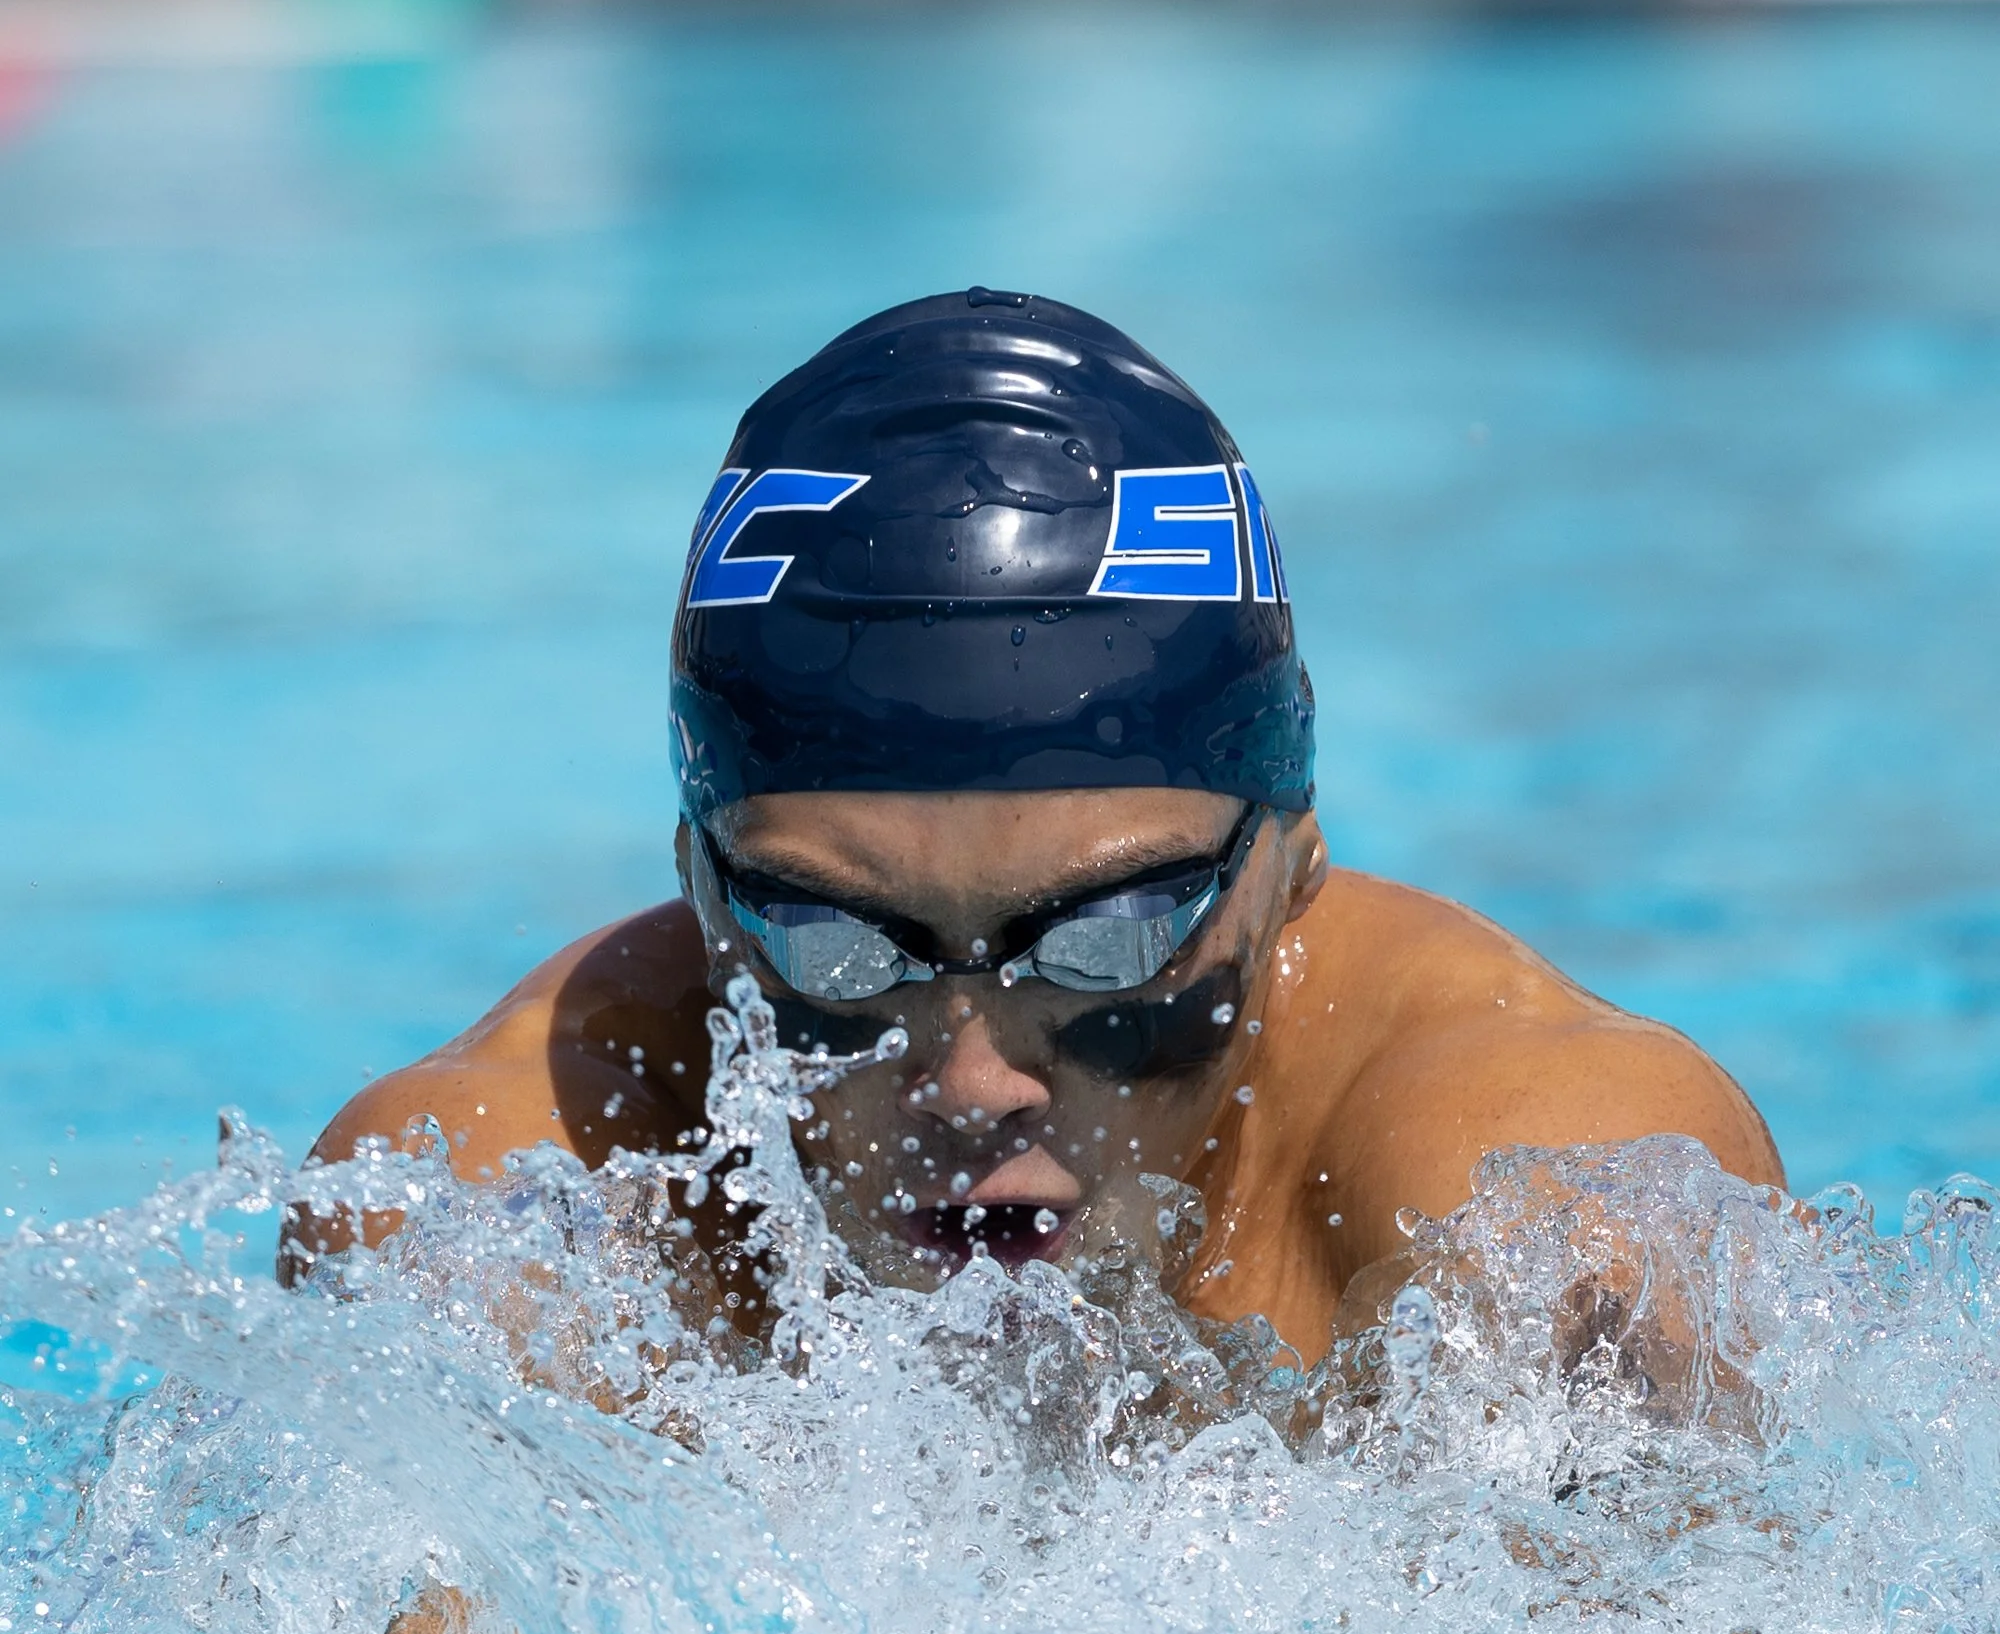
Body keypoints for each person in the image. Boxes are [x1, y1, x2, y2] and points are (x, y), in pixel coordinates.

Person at [289, 288, 1781, 1368]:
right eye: (834, 943)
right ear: (698, 884)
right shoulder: (504, 1202)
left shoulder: (1533, 1178)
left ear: (1287, 863)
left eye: (1108, 936)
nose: (971, 1077)